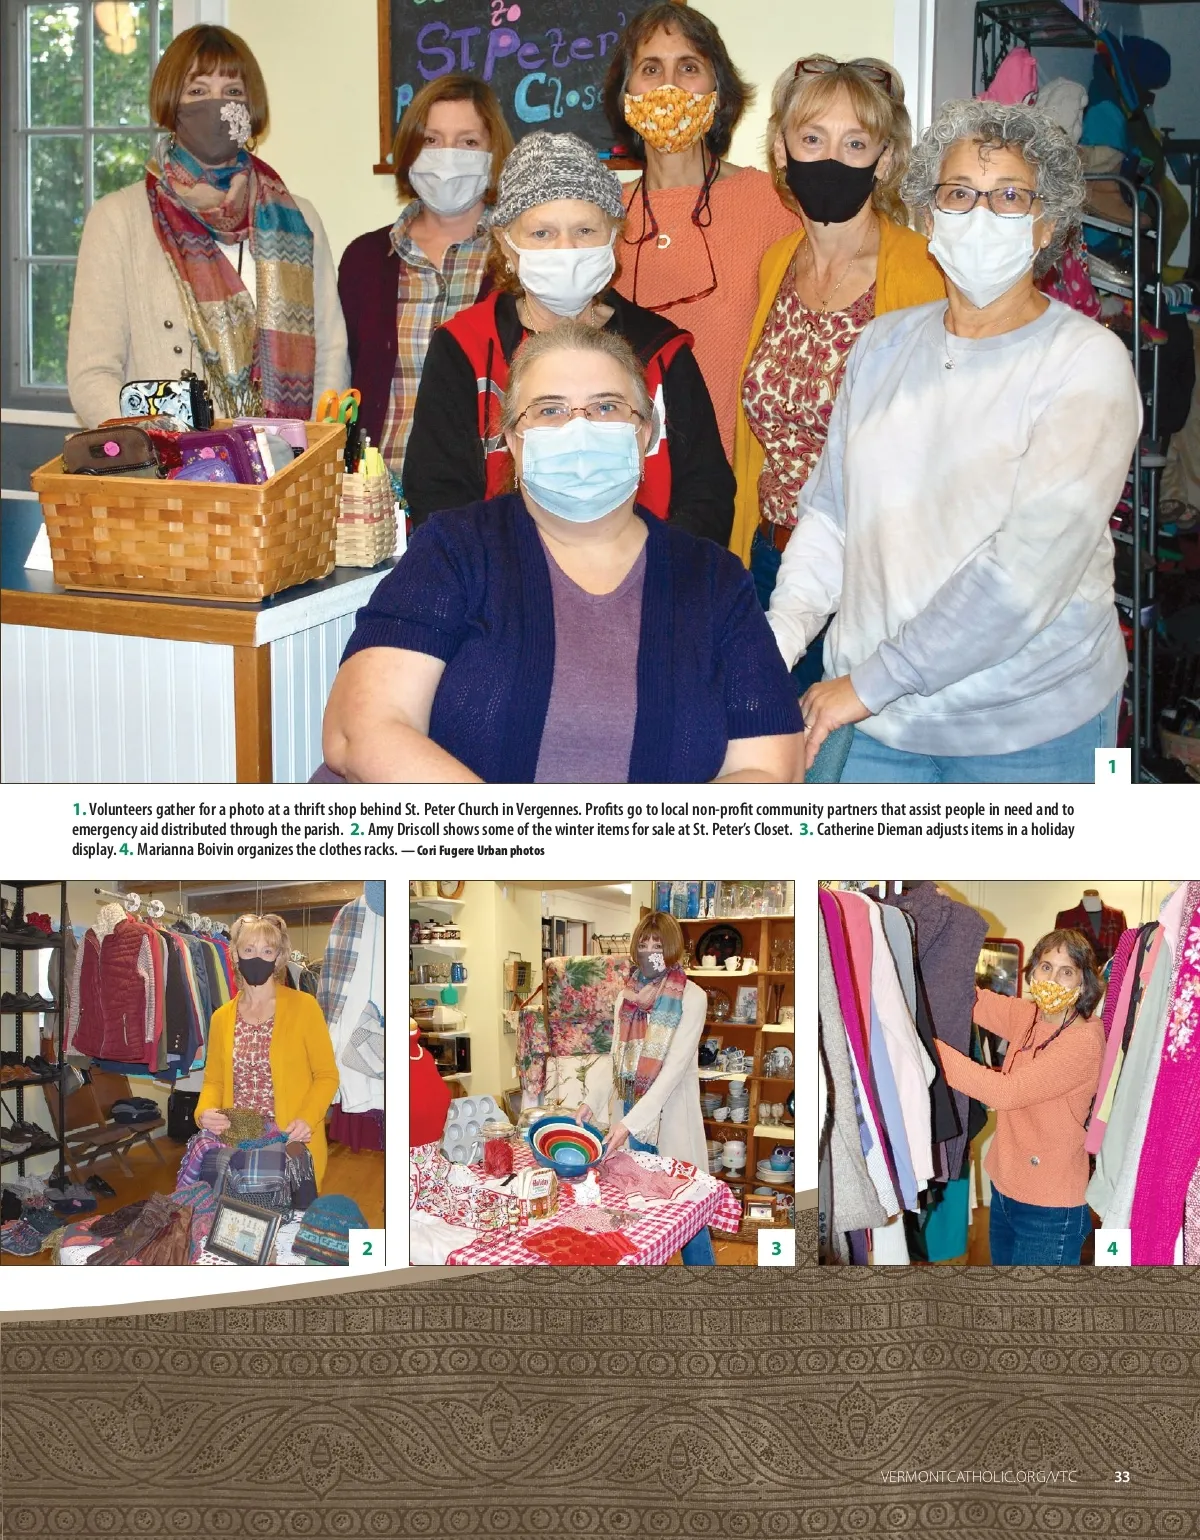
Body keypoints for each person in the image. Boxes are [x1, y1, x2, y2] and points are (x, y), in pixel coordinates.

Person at [768, 99, 1142, 782]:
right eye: (959, 193)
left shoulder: (1085, 362)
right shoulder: (882, 345)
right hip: (878, 724)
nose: (981, 214)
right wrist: (780, 635)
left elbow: (1024, 574)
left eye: (1010, 196)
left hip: (1026, 729)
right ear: (930, 214)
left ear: (1046, 224)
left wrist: (870, 682)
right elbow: (831, 515)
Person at [318, 323, 801, 783]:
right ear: (513, 440)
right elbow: (361, 731)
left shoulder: (714, 580)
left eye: (606, 407)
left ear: (646, 434)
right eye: (550, 410)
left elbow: (769, 770)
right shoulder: (455, 549)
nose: (580, 429)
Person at [402, 130, 733, 542]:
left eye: (585, 231)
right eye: (542, 233)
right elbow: (437, 496)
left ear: (613, 236)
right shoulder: (464, 350)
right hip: (501, 576)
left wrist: (648, 568)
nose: (566, 249)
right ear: (506, 244)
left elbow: (707, 497)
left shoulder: (662, 353)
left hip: (651, 572)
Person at [733, 57, 944, 685]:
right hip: (770, 558)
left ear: (884, 159)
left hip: (871, 576)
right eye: (812, 138)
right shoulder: (776, 263)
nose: (831, 159)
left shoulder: (927, 272)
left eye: (855, 143)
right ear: (781, 150)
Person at [67, 24, 348, 427]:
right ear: (172, 105)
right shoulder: (118, 220)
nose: (216, 105)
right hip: (163, 460)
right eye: (197, 91)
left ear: (250, 109)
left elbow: (330, 354)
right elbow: (92, 375)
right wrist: (157, 450)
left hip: (285, 458)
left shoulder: (299, 220)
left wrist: (310, 447)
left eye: (233, 91)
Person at [603, 2, 801, 457]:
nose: (669, 85)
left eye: (688, 67)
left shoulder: (775, 205)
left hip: (740, 471)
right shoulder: (598, 217)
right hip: (626, 474)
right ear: (625, 94)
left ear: (719, 91)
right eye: (651, 68)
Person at [338, 76, 513, 491]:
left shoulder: (518, 260)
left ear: (493, 154)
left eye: (468, 142)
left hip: (483, 500)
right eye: (432, 140)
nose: (448, 157)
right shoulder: (365, 260)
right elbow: (343, 383)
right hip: (376, 502)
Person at [934, 930, 1106, 1265]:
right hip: (1005, 1188)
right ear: (1033, 970)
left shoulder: (1083, 1041)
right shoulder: (1031, 1015)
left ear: (1083, 984)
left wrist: (929, 1051)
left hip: (1049, 1209)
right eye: (1046, 967)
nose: (1052, 979)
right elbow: (974, 1001)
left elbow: (1005, 1092)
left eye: (1066, 971)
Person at [576, 913, 712, 1265]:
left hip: (669, 1119)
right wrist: (591, 1102)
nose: (650, 952)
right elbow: (616, 1057)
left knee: (687, 1211)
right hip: (630, 1115)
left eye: (658, 945)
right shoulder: (627, 997)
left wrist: (628, 1124)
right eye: (644, 944)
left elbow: (672, 1071)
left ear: (672, 948)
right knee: (636, 1212)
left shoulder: (692, 998)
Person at [196, 914, 340, 1188]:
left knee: (290, 1211)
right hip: (236, 1144)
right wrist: (204, 1111)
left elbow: (326, 1075)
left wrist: (307, 1118)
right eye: (249, 949)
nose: (257, 958)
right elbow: (214, 1080)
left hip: (291, 1142)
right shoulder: (221, 1017)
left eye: (267, 951)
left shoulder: (304, 1007)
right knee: (238, 1212)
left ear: (278, 957)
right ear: (235, 955)